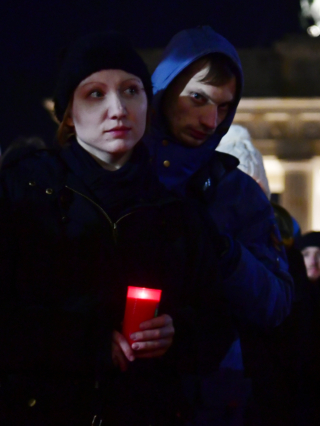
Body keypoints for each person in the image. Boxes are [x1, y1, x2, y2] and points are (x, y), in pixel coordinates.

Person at [0, 32, 232, 424]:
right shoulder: (21, 194)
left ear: (148, 103)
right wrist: (84, 342)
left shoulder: (180, 213)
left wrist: (178, 334)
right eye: (95, 94)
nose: (118, 109)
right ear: (68, 113)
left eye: (131, 91)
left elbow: (217, 321)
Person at [145, 26, 292, 425]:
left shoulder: (238, 194)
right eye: (198, 98)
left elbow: (277, 303)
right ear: (162, 88)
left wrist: (226, 254)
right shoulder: (122, 173)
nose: (211, 120)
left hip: (207, 399)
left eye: (225, 107)